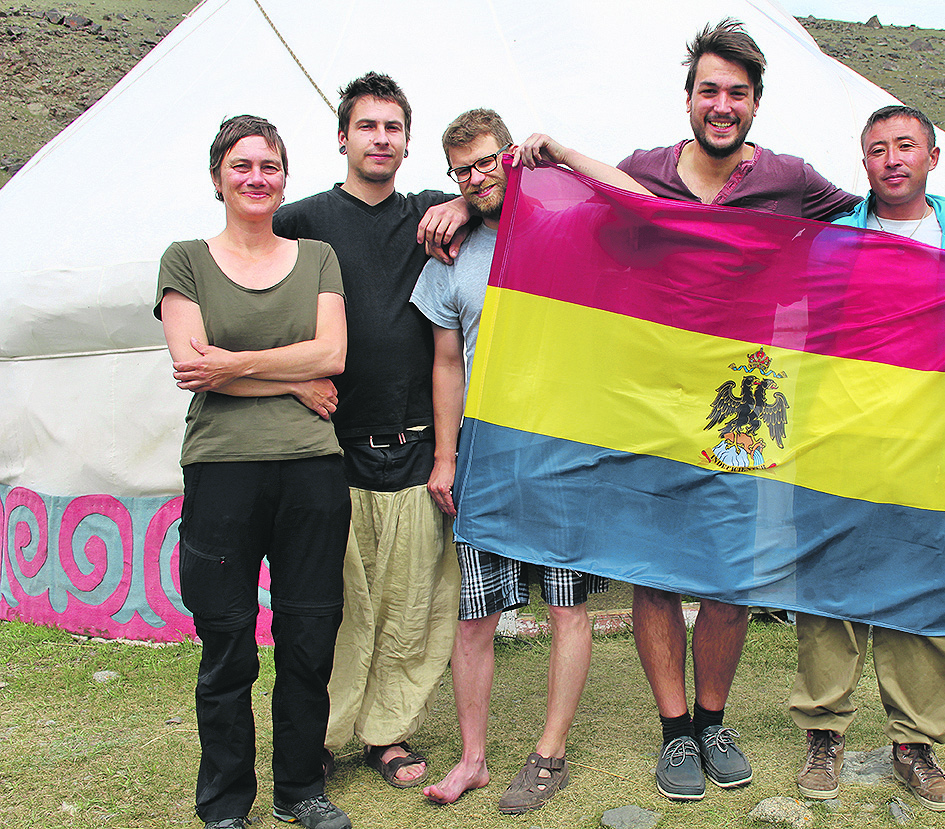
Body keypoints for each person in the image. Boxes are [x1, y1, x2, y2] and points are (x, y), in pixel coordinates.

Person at [616, 19, 945, 802]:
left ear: (756, 102)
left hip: (771, 411)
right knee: (662, 569)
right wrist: (475, 204)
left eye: (737, 93)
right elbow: (578, 208)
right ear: (688, 98)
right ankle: (700, 732)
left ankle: (749, 725)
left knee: (742, 570)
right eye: (709, 91)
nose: (722, 105)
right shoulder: (648, 172)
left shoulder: (803, 185)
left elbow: (904, 207)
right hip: (681, 403)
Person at [413, 108, 651, 814]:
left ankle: (549, 753)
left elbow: (640, 201)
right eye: (463, 170)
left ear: (511, 154)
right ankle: (473, 759)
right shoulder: (451, 257)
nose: (477, 177)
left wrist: (567, 154)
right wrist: (446, 457)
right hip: (488, 456)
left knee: (568, 608)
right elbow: (446, 364)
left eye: (488, 162)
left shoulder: (567, 226)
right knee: (473, 618)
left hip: (564, 451)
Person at [272, 72, 470, 789]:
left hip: (416, 443)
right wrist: (290, 376)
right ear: (342, 137)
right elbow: (242, 283)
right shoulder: (300, 219)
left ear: (408, 141)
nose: (381, 138)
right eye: (367, 126)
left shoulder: (431, 214)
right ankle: (323, 732)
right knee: (336, 604)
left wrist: (459, 199)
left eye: (393, 127)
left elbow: (509, 192)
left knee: (411, 602)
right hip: (330, 446)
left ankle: (387, 733)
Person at [156, 115, 351, 829]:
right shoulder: (185, 260)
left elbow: (330, 355)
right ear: (218, 177)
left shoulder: (318, 257)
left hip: (312, 473)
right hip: (222, 471)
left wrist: (233, 366)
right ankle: (225, 803)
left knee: (307, 636)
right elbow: (189, 364)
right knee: (229, 641)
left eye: (268, 165)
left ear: (284, 176)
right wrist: (289, 377)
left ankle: (301, 788)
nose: (255, 177)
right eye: (241, 166)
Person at [790, 104, 945, 813]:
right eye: (877, 149)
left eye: (906, 146)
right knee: (830, 585)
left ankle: (916, 742)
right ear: (862, 162)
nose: (892, 158)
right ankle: (823, 731)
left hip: (934, 440)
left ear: (934, 158)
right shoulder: (832, 239)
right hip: (843, 435)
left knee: (925, 584)